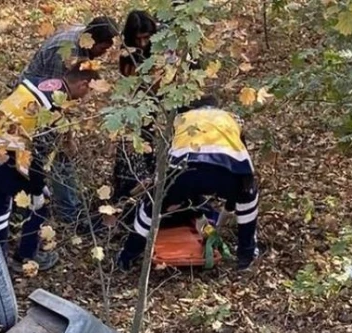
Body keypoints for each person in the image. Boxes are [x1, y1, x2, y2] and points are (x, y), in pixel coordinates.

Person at [0, 65, 101, 272]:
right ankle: (25, 257)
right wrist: (38, 188)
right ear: (83, 84)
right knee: (40, 203)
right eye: (89, 91)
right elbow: (37, 154)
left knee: (1, 203)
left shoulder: (46, 83)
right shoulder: (49, 107)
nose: (87, 97)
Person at [116, 96, 261, 271]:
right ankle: (246, 256)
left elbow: (168, 157)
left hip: (185, 170)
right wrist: (234, 202)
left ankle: (127, 257)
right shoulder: (231, 118)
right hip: (229, 170)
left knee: (150, 208)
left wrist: (163, 194)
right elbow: (242, 159)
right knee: (247, 198)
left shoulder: (182, 119)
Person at [19, 16, 118, 225]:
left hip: (47, 98)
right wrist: (68, 138)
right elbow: (60, 99)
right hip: (34, 101)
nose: (105, 52)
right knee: (56, 154)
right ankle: (67, 214)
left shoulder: (85, 40)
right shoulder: (66, 55)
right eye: (103, 47)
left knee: (49, 154)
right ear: (93, 40)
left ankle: (49, 197)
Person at [112, 10, 159, 213]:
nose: (142, 44)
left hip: (156, 101)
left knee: (147, 145)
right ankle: (127, 198)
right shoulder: (127, 50)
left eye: (146, 39)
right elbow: (127, 80)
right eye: (138, 39)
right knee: (129, 150)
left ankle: (147, 196)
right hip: (134, 105)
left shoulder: (162, 43)